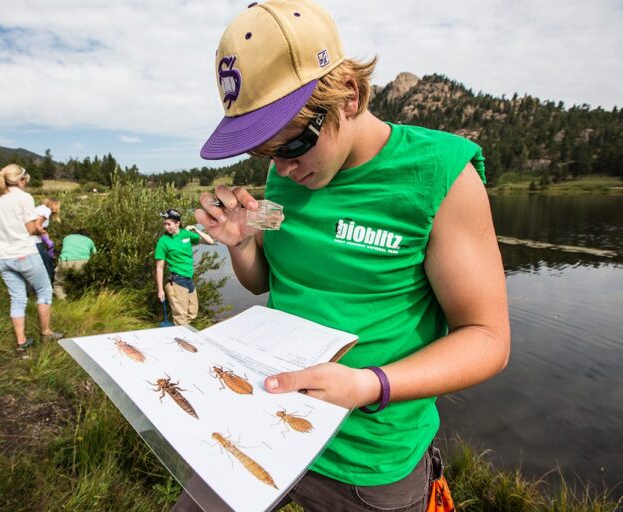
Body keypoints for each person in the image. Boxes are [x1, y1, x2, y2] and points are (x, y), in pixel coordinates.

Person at [182, 1, 511, 511]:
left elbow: (487, 339)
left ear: (349, 96)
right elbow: (263, 279)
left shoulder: (443, 176)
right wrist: (243, 243)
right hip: (264, 417)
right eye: (265, 153)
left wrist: (367, 384)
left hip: (369, 462)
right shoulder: (281, 177)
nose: (282, 170)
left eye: (291, 146)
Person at [0, 164, 63, 351]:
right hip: (24, 253)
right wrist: (42, 232)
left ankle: (21, 342)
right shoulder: (23, 197)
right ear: (21, 179)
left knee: (17, 298)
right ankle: (46, 332)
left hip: (2, 257)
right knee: (44, 290)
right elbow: (30, 228)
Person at [154, 209, 215, 326]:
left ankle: (180, 333)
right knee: (180, 317)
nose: (166, 227)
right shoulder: (163, 241)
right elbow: (159, 268)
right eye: (164, 224)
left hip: (188, 278)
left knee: (192, 313)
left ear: (177, 223)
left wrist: (196, 229)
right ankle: (181, 339)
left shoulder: (186, 234)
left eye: (169, 224)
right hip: (176, 281)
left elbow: (211, 241)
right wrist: (160, 289)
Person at [53, 232, 96, 299]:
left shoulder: (66, 238)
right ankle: (82, 297)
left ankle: (62, 299)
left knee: (59, 284)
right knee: (84, 283)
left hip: (65, 261)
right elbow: (95, 254)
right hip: (82, 262)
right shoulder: (89, 240)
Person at [32, 198, 61, 283]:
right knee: (46, 263)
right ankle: (48, 285)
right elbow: (37, 226)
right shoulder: (46, 211)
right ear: (53, 204)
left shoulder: (39, 208)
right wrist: (46, 238)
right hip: (35, 241)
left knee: (39, 264)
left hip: (31, 240)